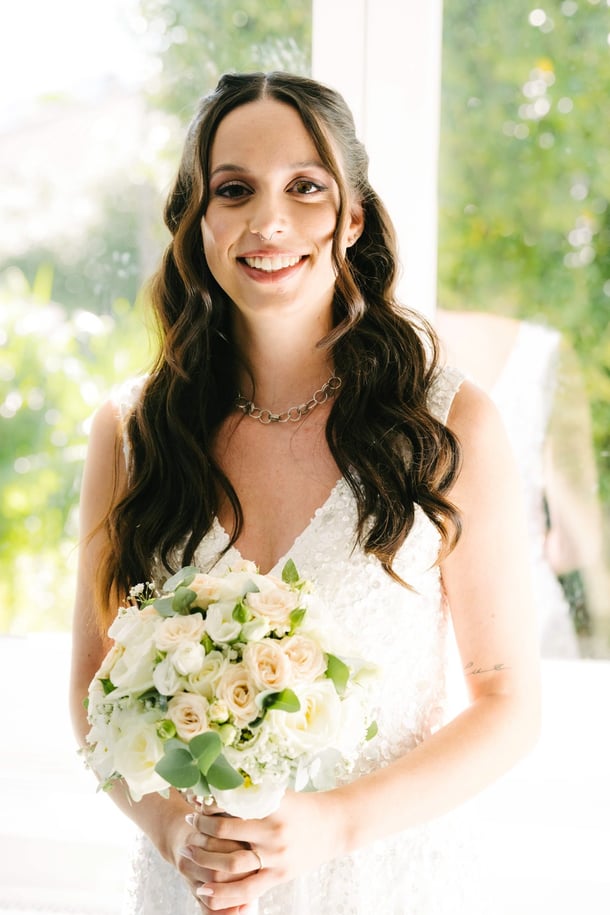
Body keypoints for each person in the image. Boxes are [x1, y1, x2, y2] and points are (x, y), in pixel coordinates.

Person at [69, 72, 541, 915]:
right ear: (198, 221)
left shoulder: (449, 426)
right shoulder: (132, 432)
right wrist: (171, 829)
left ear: (352, 217)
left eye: (306, 187)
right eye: (234, 190)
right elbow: (91, 684)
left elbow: (508, 702)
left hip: (384, 883)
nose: (269, 221)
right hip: (195, 888)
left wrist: (334, 824)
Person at [436, 308, 605, 657]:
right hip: (531, 610)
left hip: (440, 622)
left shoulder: (391, 344)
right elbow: (578, 541)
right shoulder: (542, 349)